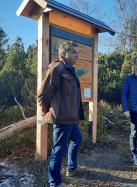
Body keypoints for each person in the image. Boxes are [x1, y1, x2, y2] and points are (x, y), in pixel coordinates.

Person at [37, 41, 84, 187]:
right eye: (74, 52)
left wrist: (78, 116)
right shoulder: (57, 68)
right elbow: (43, 95)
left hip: (72, 119)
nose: (77, 55)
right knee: (58, 151)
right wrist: (48, 112)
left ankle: (71, 168)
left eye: (78, 52)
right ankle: (55, 182)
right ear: (64, 53)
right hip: (62, 119)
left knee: (77, 140)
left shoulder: (70, 69)